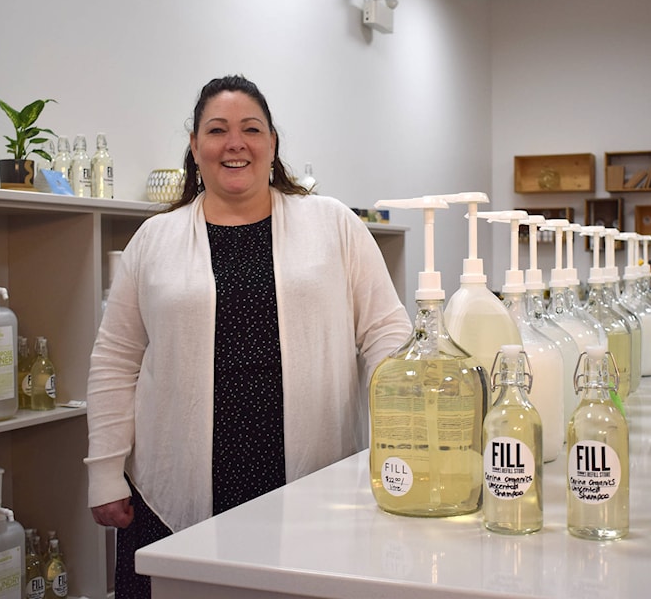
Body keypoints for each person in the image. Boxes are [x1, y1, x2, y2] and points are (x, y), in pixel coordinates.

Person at [85, 74, 411, 597]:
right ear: (194, 148)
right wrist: (104, 471)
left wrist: (404, 431)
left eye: (251, 129)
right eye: (217, 130)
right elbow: (116, 360)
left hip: (310, 478)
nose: (234, 143)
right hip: (176, 483)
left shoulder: (332, 224)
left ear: (272, 142)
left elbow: (385, 332)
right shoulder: (154, 239)